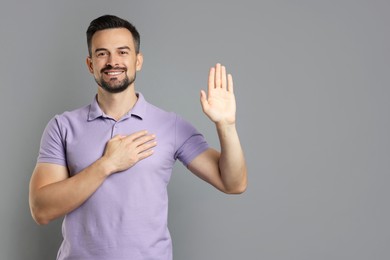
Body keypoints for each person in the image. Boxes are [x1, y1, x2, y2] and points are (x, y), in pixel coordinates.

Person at [29, 14, 247, 260]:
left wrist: (227, 126)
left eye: (123, 52)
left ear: (138, 60)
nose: (113, 62)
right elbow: (41, 210)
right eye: (102, 53)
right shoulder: (63, 126)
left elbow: (234, 183)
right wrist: (107, 164)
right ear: (91, 64)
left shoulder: (170, 125)